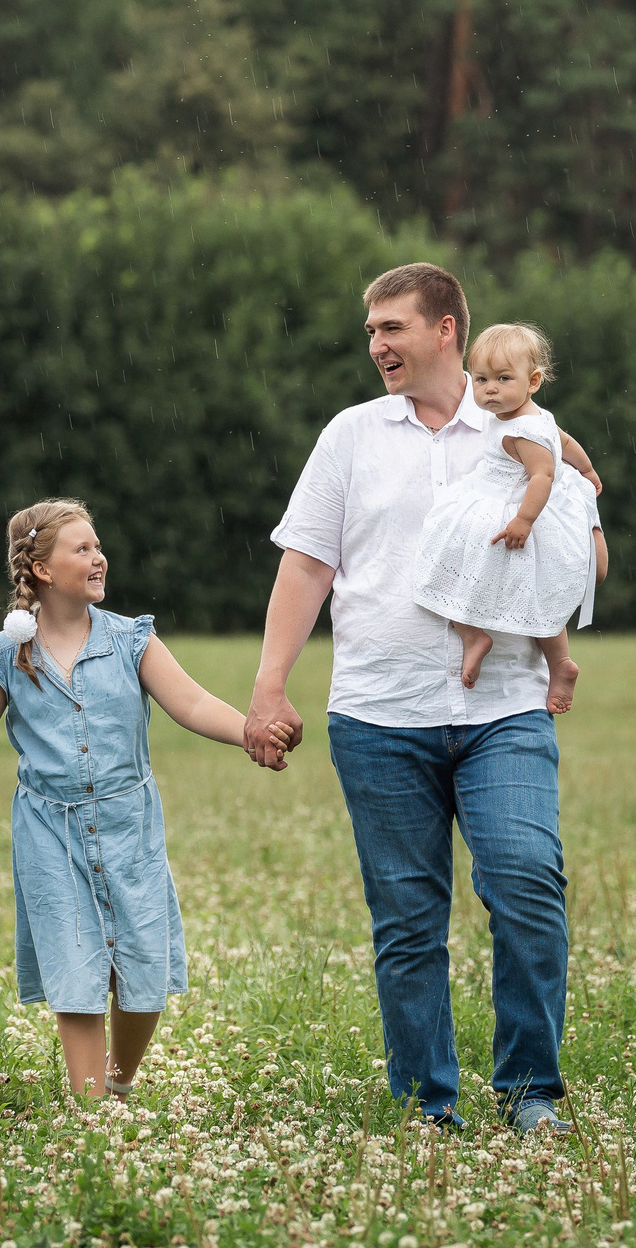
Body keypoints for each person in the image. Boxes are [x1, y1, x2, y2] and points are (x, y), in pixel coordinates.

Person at [243, 263, 603, 1136]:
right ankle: (425, 1105)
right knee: (407, 921)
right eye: (370, 331)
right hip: (377, 712)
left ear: (445, 329)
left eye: (391, 327)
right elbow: (306, 562)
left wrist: (554, 546)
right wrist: (267, 685)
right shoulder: (351, 436)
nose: (376, 345)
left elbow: (585, 540)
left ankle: (530, 1093)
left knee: (525, 882)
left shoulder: (521, 426)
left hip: (505, 706)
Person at [0, 498, 278, 1099]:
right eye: (83, 549)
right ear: (41, 569)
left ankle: (119, 1079)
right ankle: (91, 1107)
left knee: (143, 971)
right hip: (49, 831)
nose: (100, 557)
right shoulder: (7, 654)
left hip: (129, 825)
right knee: (75, 969)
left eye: (98, 547)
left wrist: (247, 729)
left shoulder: (131, 641)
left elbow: (192, 704)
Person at [413, 322, 606, 712]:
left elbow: (543, 474)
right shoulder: (536, 417)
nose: (490, 389)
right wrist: (586, 469)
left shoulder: (522, 432)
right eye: (482, 379)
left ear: (533, 381)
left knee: (443, 562)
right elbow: (565, 442)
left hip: (510, 505)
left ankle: (479, 637)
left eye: (503, 379)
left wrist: (524, 520)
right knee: (537, 591)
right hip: (499, 497)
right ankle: (557, 660)